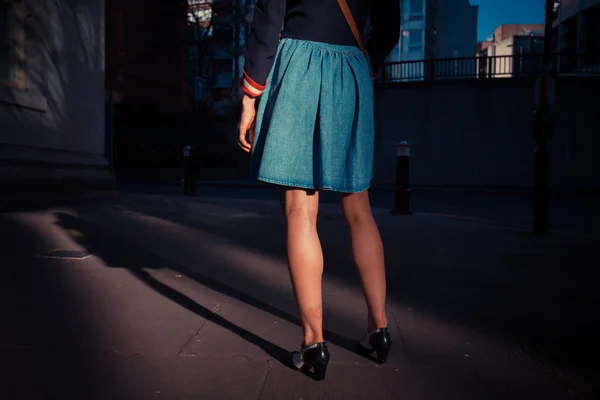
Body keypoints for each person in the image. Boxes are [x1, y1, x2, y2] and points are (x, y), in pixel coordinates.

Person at [237, 0, 400, 381]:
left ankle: (314, 344)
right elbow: (389, 28)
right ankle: (379, 330)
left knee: (300, 210)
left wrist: (251, 92)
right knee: (360, 209)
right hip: (351, 68)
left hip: (299, 67)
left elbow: (268, 18)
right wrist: (367, 62)